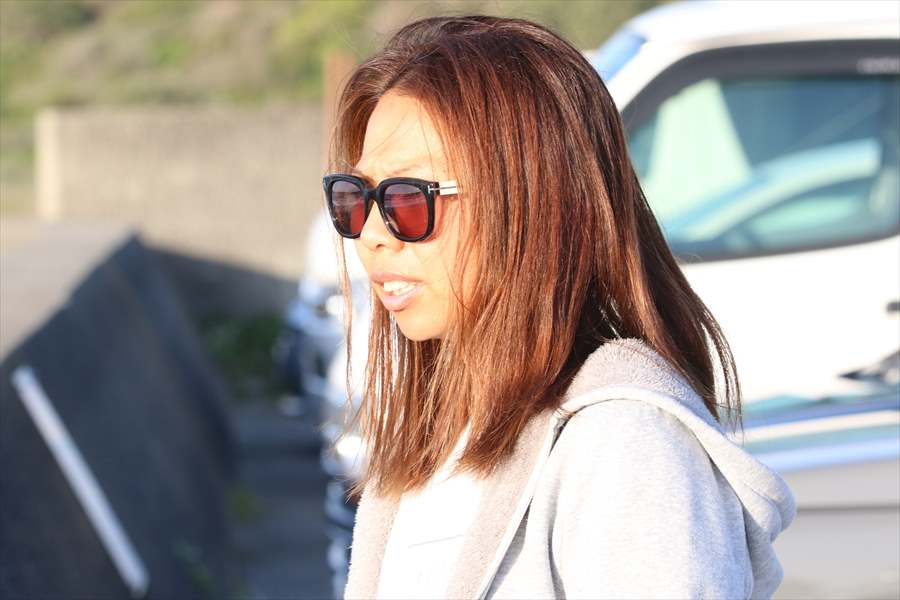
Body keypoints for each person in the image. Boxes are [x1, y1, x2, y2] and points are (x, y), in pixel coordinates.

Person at [321, 14, 796, 600]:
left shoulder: (627, 444)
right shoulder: (436, 441)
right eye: (355, 198)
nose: (370, 234)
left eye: (406, 198)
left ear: (530, 202)